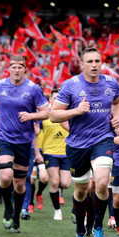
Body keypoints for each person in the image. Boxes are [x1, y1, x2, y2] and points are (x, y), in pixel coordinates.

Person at [50, 47, 119, 237]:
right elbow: (54, 115)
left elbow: (118, 101)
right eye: (89, 61)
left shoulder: (111, 83)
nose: (94, 65)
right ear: (81, 65)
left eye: (97, 61)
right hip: (77, 144)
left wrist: (117, 119)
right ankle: (80, 232)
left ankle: (97, 226)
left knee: (101, 181)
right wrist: (76, 111)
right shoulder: (70, 85)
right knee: (81, 190)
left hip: (103, 139)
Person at [0, 55, 49, 233]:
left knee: (20, 183)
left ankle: (16, 218)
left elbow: (46, 112)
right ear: (9, 68)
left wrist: (31, 116)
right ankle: (7, 208)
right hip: (3, 137)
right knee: (5, 176)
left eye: (20, 66)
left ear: (25, 69)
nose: (17, 70)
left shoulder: (33, 89)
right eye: (14, 66)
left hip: (24, 140)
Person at [39, 89, 71, 220]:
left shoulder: (69, 113)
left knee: (66, 183)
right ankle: (57, 210)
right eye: (55, 98)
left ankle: (59, 192)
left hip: (66, 152)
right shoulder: (46, 115)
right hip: (50, 152)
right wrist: (39, 153)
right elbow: (39, 135)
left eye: (60, 97)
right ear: (50, 100)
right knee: (54, 181)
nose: (57, 99)